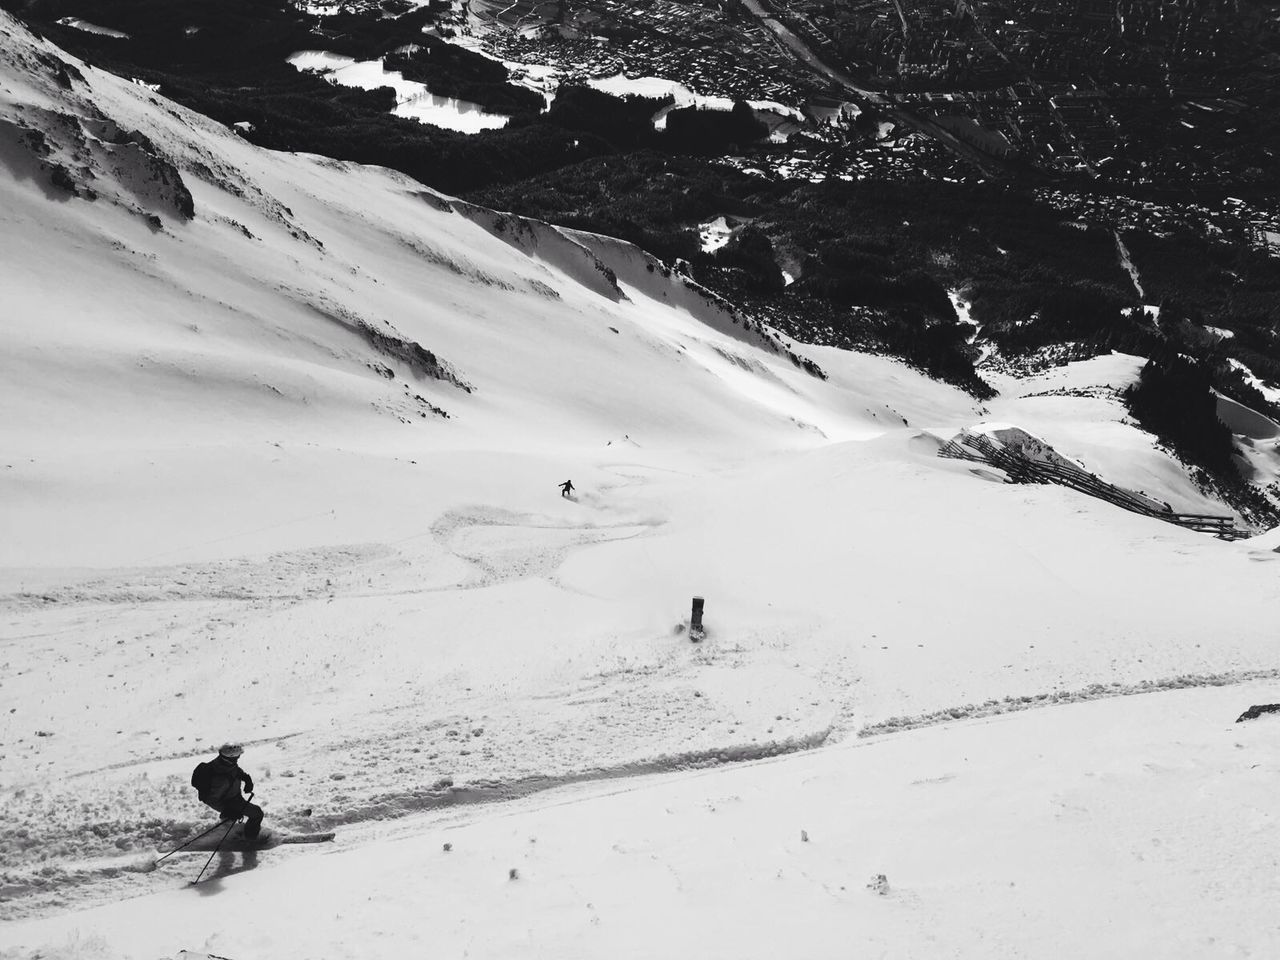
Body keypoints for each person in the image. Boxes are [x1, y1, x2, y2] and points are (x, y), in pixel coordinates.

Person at [191, 743, 263, 840]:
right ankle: (249, 840)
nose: (239, 758)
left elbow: (236, 771)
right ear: (232, 758)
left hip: (234, 798)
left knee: (234, 821)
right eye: (238, 756)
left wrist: (246, 779)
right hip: (230, 803)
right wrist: (228, 811)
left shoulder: (225, 765)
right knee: (257, 814)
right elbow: (211, 799)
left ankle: (231, 833)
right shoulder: (220, 778)